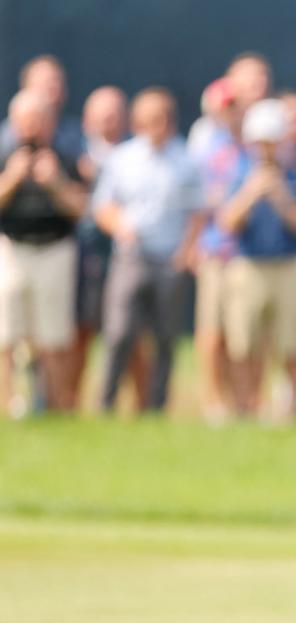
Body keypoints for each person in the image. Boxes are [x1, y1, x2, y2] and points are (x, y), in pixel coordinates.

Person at [92, 88, 203, 413]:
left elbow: (197, 212)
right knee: (119, 332)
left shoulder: (186, 160)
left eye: (165, 117)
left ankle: (156, 407)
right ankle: (106, 404)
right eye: (153, 117)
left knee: (166, 338)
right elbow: (103, 205)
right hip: (131, 257)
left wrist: (187, 250)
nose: (160, 124)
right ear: (139, 121)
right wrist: (121, 227)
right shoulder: (123, 158)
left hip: (170, 259)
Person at [218, 98, 296, 421]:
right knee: (244, 344)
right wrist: (251, 192)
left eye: (271, 142)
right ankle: (246, 408)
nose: (266, 149)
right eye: (261, 142)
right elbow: (227, 223)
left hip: (288, 265)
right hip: (248, 265)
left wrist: (281, 197)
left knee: (292, 345)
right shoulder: (240, 172)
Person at [0, 90, 88, 415]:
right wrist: (12, 177)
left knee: (53, 336)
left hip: (55, 248)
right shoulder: (4, 152)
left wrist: (55, 182)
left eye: (39, 121)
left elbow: (81, 208)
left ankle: (54, 405)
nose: (32, 129)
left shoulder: (66, 155)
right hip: (12, 248)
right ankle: (8, 405)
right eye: (26, 121)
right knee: (7, 334)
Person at [70, 85, 132, 410]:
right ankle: (70, 403)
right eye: (103, 114)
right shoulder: (72, 153)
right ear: (87, 119)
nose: (109, 120)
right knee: (79, 331)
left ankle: (140, 405)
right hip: (84, 255)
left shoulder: (135, 154)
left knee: (130, 335)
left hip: (127, 256)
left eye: (115, 113)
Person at [190, 76, 241, 424]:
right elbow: (199, 202)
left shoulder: (249, 145)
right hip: (214, 250)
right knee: (212, 331)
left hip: (245, 252)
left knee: (242, 335)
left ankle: (241, 400)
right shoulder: (205, 146)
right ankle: (213, 401)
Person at [0, 55, 84, 161]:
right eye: (49, 83)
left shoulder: (76, 135)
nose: (56, 88)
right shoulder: (6, 137)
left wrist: (57, 176)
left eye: (59, 82)